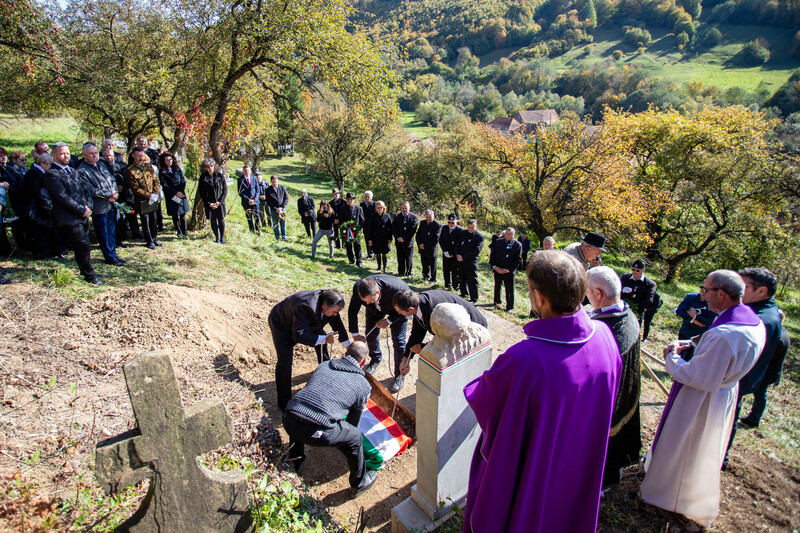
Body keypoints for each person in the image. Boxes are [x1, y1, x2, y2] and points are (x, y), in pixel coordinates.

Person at [462, 251, 621, 533]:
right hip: (579, 461)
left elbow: (489, 404)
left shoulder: (524, 359)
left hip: (537, 467)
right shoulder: (605, 336)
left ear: (539, 298)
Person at [641, 270, 765, 527]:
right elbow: (719, 347)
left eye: (705, 290)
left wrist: (671, 356)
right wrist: (695, 341)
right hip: (724, 393)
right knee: (703, 449)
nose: (701, 295)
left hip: (700, 400)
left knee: (683, 445)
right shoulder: (752, 323)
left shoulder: (724, 336)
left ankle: (667, 494)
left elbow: (696, 375)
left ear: (722, 293)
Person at [282, 341, 378, 498]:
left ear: (345, 354)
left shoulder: (325, 365)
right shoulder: (363, 385)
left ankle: (295, 459)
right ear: (363, 362)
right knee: (355, 436)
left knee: (302, 411)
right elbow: (352, 423)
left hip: (289, 418)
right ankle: (358, 483)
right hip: (316, 432)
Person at [586, 266, 641, 490]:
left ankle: (600, 482)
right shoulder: (627, 314)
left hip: (608, 404)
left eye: (587, 291)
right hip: (625, 395)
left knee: (605, 448)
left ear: (598, 294)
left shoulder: (606, 332)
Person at [723, 267, 782, 469]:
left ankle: (719, 458)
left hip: (735, 380)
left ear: (761, 291)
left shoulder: (762, 319)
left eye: (744, 286)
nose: (738, 290)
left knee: (725, 421)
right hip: (735, 378)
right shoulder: (759, 310)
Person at [268, 288, 350, 411]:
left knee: (322, 342)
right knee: (285, 361)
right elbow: (299, 335)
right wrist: (324, 339)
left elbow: (338, 325)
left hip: (308, 323)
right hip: (282, 325)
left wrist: (348, 346)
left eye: (336, 312)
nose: (335, 314)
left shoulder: (331, 306)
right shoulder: (306, 307)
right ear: (324, 306)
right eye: (333, 312)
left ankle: (325, 373)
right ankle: (284, 404)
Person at [393, 289, 487, 392]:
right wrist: (406, 359)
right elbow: (417, 333)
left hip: (471, 331)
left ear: (410, 309)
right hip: (455, 331)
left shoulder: (433, 313)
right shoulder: (419, 304)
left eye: (399, 311)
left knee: (460, 367)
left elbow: (447, 340)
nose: (399, 313)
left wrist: (424, 348)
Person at [43, 142, 102, 285]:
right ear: (54, 155)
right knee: (82, 245)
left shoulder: (72, 171)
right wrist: (82, 210)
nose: (66, 156)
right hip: (68, 217)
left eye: (68, 153)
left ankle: (87, 270)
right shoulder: (52, 174)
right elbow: (62, 197)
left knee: (85, 245)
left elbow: (86, 189)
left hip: (83, 215)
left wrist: (88, 206)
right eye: (62, 153)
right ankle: (90, 277)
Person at [348, 274, 409, 377]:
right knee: (370, 334)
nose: (366, 304)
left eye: (369, 300)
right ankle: (375, 358)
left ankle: (399, 374)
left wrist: (389, 321)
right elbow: (352, 311)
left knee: (398, 341)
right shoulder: (359, 289)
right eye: (364, 301)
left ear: (377, 292)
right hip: (375, 309)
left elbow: (405, 308)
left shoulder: (397, 290)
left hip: (398, 310)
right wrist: (355, 334)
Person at [77, 142, 125, 266]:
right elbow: (90, 190)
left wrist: (114, 193)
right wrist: (109, 193)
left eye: (95, 153)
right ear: (84, 155)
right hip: (99, 206)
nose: (94, 156)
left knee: (111, 230)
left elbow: (112, 179)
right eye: (91, 154)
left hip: (110, 203)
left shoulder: (101, 165)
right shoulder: (82, 170)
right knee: (103, 232)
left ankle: (113, 253)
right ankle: (109, 257)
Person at [742, 310, 789, 428]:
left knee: (760, 394)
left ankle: (754, 418)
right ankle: (754, 417)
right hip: (770, 371)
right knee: (760, 393)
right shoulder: (782, 332)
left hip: (767, 372)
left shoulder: (778, 336)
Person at [24, 153, 61, 259]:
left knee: (45, 232)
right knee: (40, 233)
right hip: (36, 208)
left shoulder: (39, 173)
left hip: (42, 207)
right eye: (49, 165)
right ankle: (42, 253)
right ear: (42, 163)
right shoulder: (33, 173)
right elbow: (34, 191)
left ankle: (48, 252)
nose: (50, 167)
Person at [126, 147, 162, 249]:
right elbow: (135, 189)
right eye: (138, 156)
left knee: (153, 219)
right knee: (145, 221)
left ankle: (155, 238)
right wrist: (149, 196)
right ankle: (149, 241)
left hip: (153, 198)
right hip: (142, 200)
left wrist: (154, 194)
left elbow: (156, 181)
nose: (141, 158)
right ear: (133, 156)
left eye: (142, 156)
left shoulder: (148, 166)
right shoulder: (130, 170)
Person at [620, 259, 662, 341]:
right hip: (623, 308)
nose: (635, 272)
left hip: (638, 311)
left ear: (643, 270)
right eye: (633, 269)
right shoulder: (625, 277)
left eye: (637, 270)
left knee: (633, 333)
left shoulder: (649, 284)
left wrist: (635, 308)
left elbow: (648, 300)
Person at [490, 227, 522, 312]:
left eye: (510, 234)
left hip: (509, 271)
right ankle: (496, 302)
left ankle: (509, 307)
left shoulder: (517, 245)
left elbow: (518, 260)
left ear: (514, 235)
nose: (508, 236)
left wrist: (509, 269)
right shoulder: (498, 242)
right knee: (497, 286)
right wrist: (494, 266)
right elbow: (492, 255)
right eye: (507, 234)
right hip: (498, 269)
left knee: (509, 289)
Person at [158, 152, 190, 238]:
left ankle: (185, 231)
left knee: (183, 213)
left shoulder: (177, 168)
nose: (169, 161)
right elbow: (165, 185)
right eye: (167, 160)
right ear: (163, 161)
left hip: (181, 193)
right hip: (171, 195)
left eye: (170, 159)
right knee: (175, 214)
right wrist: (176, 192)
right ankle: (179, 231)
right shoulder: (162, 171)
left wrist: (181, 191)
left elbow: (182, 180)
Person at [198, 158, 227, 244]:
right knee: (213, 220)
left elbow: (225, 190)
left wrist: (220, 202)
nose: (210, 168)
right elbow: (202, 193)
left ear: (214, 166)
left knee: (221, 220)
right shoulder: (203, 178)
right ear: (205, 168)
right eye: (208, 167)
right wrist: (209, 203)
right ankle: (217, 238)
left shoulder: (220, 176)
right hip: (210, 203)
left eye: (211, 166)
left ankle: (222, 238)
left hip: (219, 203)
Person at [458, 219, 484, 303]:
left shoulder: (479, 237)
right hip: (461, 259)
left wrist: (464, 257)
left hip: (471, 261)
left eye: (472, 227)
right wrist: (457, 254)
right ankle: (463, 293)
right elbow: (457, 245)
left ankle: (474, 297)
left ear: (476, 227)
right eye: (469, 227)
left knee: (472, 280)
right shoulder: (463, 233)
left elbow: (476, 251)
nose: (470, 229)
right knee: (462, 278)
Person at [338, 192, 365, 267]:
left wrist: (357, 228)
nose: (350, 201)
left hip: (356, 232)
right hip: (347, 231)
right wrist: (344, 227)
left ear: (354, 200)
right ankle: (351, 260)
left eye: (351, 199)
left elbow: (362, 221)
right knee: (348, 246)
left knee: (357, 246)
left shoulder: (359, 208)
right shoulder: (342, 209)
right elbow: (341, 221)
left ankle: (359, 261)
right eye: (348, 199)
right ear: (346, 200)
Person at [392, 201, 418, 277]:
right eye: (402, 208)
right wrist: (397, 237)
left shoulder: (414, 217)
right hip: (398, 241)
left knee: (408, 258)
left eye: (405, 208)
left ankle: (408, 272)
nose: (404, 210)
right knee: (400, 258)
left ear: (409, 208)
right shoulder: (397, 216)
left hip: (408, 242)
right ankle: (401, 272)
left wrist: (404, 238)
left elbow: (413, 230)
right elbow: (393, 228)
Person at [416, 209, 441, 282]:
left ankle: (433, 279)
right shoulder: (423, 223)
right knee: (424, 263)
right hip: (422, 247)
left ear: (433, 216)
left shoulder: (437, 225)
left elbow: (436, 239)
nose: (428, 218)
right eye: (427, 217)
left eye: (430, 217)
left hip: (431, 248)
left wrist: (425, 245)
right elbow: (418, 234)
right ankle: (425, 276)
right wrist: (419, 244)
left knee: (433, 265)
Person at [439, 213, 463, 291]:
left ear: (456, 222)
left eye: (452, 222)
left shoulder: (460, 230)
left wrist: (452, 253)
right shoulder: (444, 228)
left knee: (455, 271)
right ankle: (447, 284)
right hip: (446, 253)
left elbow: (459, 243)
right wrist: (445, 251)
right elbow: (441, 240)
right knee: (446, 269)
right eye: (449, 222)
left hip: (455, 254)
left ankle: (455, 286)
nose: (450, 224)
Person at [368, 201, 392, 273]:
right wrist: (370, 239)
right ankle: (379, 266)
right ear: (376, 208)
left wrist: (390, 238)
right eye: (378, 208)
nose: (380, 209)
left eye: (381, 207)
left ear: (384, 208)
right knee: (377, 252)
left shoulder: (387, 216)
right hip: (376, 237)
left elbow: (390, 228)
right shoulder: (373, 216)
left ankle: (385, 267)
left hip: (385, 237)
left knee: (384, 253)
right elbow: (370, 229)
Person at [237, 165, 260, 235]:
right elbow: (240, 192)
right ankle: (252, 230)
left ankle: (258, 230)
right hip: (246, 202)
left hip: (255, 201)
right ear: (243, 171)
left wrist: (255, 199)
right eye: (245, 170)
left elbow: (257, 190)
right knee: (249, 217)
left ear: (250, 171)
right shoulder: (240, 180)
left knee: (256, 216)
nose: (247, 172)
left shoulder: (254, 178)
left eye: (248, 170)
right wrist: (248, 200)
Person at [266, 175, 288, 240]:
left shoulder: (282, 188)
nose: (274, 183)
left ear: (277, 181)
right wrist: (276, 209)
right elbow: (268, 201)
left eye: (275, 182)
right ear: (271, 182)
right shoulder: (268, 190)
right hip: (274, 210)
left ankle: (284, 237)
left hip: (282, 210)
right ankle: (277, 238)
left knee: (283, 224)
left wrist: (281, 207)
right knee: (275, 225)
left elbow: (286, 198)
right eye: (273, 182)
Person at [360, 191, 376, 258]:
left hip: (374, 226)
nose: (367, 197)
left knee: (374, 240)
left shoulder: (375, 204)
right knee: (367, 239)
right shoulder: (362, 205)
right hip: (365, 226)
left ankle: (375, 254)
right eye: (366, 196)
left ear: (371, 197)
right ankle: (369, 254)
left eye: (368, 196)